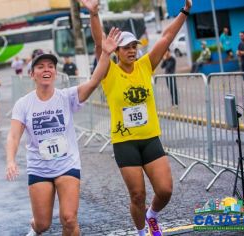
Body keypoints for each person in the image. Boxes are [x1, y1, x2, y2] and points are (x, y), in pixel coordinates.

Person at [80, 0, 192, 235]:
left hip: (150, 138)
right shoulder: (109, 71)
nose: (131, 50)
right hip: (125, 143)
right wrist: (93, 14)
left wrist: (184, 11)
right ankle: (142, 231)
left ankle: (153, 215)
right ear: (117, 51)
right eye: (126, 47)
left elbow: (167, 37)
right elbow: (100, 42)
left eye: (134, 46)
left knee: (165, 190)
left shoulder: (145, 65)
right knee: (137, 195)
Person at [5, 28, 121, 236]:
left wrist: (106, 54)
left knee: (69, 219)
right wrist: (11, 160)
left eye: (50, 66)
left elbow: (94, 81)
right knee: (43, 224)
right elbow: (14, 135)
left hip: (67, 164)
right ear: (32, 74)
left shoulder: (67, 97)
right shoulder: (24, 104)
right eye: (40, 67)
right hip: (39, 168)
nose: (46, 69)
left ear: (56, 73)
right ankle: (35, 227)